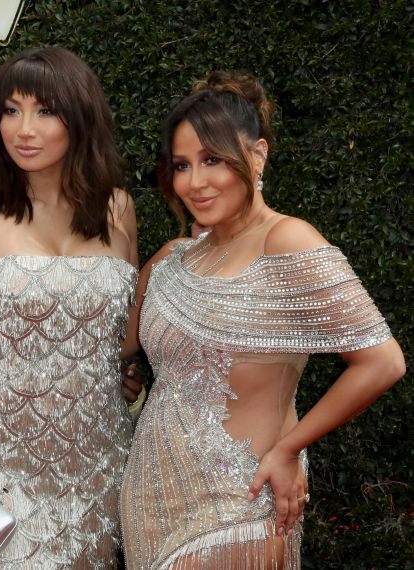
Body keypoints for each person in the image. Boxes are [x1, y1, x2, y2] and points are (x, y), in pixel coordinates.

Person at [118, 71, 405, 569]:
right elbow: (107, 347)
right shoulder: (172, 258)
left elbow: (382, 362)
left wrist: (290, 449)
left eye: (212, 160)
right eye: (183, 165)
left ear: (257, 155)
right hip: (147, 508)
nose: (195, 182)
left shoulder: (288, 241)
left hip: (239, 507)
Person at [0, 47, 139, 568]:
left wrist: (126, 370)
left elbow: (125, 336)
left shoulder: (119, 208)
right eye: (11, 110)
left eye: (45, 111)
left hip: (98, 459)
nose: (24, 129)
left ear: (79, 120)